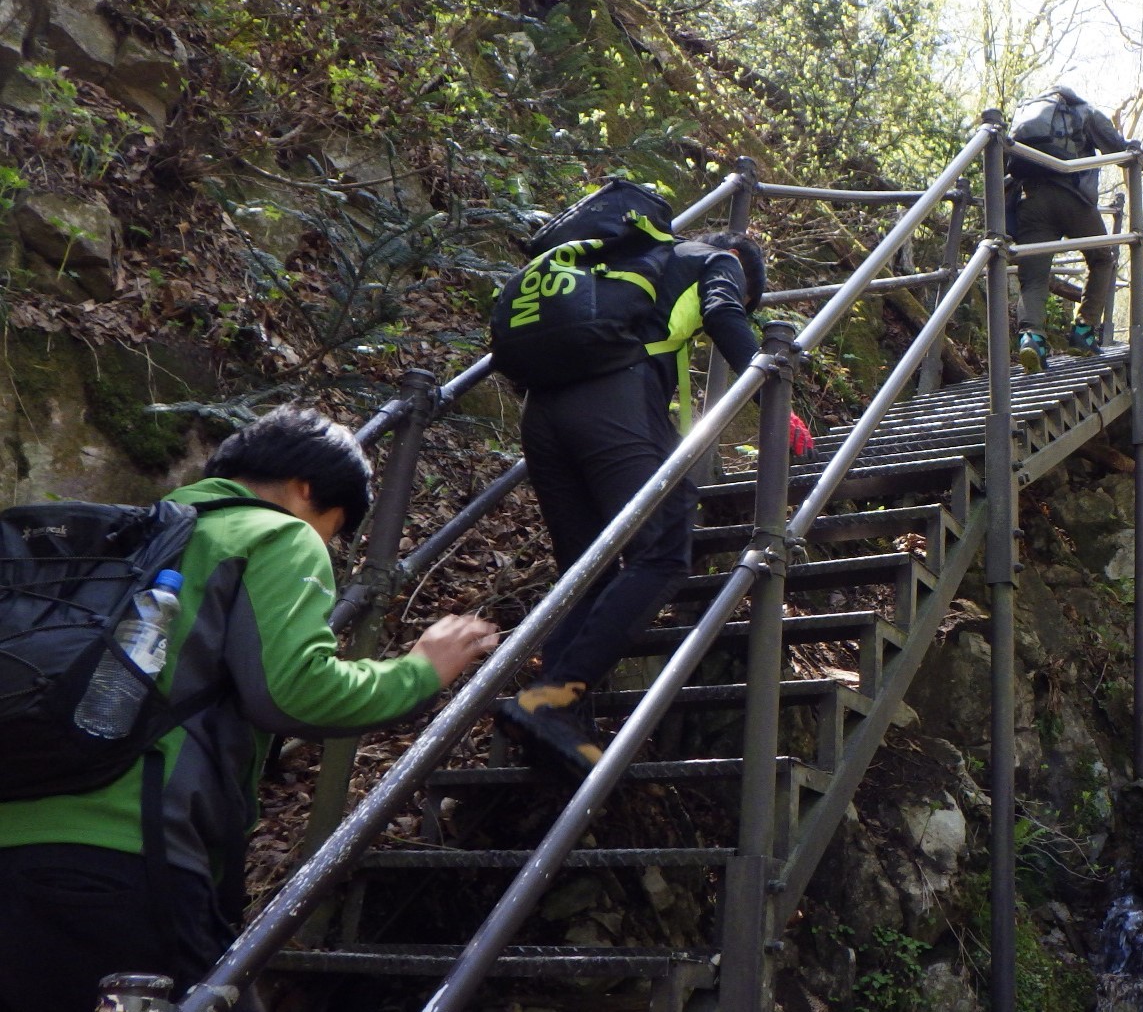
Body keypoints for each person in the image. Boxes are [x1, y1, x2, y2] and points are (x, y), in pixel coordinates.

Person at [0, 407, 499, 1012]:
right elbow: (296, 690)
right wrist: (423, 668)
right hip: (132, 857)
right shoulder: (275, 534)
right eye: (334, 529)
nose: (327, 547)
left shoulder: (125, 545)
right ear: (306, 491)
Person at [493, 230, 811, 778]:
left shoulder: (624, 261)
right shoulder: (718, 259)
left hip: (542, 412)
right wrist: (773, 397)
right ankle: (551, 701)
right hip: (614, 399)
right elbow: (722, 310)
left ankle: (553, 722)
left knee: (588, 568)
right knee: (662, 552)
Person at [1009, 85, 1143, 370]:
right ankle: (1084, 330)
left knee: (1034, 278)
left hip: (1032, 200)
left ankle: (1032, 339)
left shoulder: (1023, 117)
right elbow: (1118, 148)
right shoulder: (1084, 112)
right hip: (1073, 198)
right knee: (1101, 259)